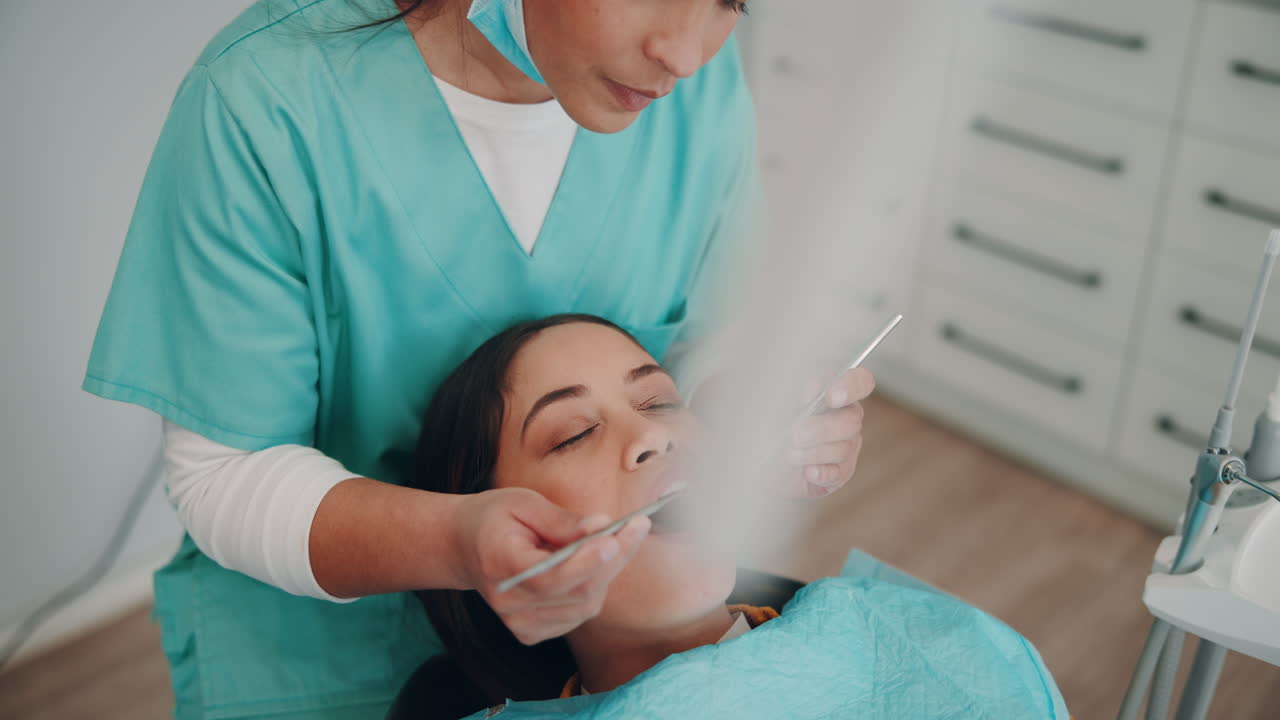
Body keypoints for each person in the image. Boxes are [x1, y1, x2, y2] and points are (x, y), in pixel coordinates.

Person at [83, 1, 874, 718]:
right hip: (318, 661)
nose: (685, 53)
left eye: (731, 0)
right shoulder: (267, 103)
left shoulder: (691, 82)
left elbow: (712, 329)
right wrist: (456, 542)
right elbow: (227, 472)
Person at [398, 314, 1069, 719]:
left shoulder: (928, 641)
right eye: (574, 433)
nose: (653, 435)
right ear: (498, 538)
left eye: (660, 402)